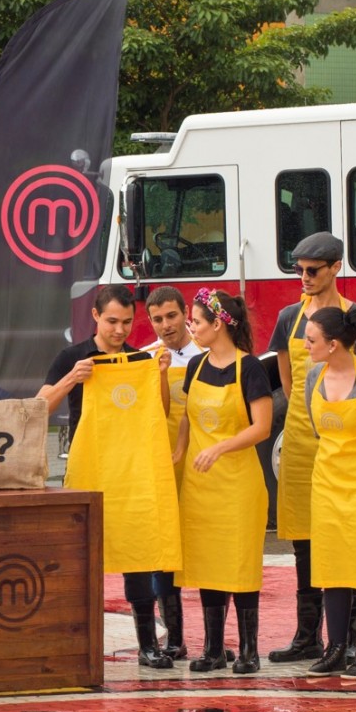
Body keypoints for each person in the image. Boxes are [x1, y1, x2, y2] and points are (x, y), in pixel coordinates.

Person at [267, 233, 356, 667]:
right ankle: (307, 635)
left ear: (336, 267)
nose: (304, 277)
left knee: (349, 538)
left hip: (347, 443)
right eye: (298, 269)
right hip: (301, 440)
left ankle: (349, 638)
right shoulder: (288, 317)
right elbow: (289, 380)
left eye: (313, 270)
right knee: (304, 542)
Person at [39, 286, 162, 657]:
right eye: (111, 321)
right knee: (82, 556)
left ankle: (148, 645)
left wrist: (158, 375)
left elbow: (160, 411)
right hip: (89, 466)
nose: (119, 330)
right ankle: (75, 643)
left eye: (126, 322)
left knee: (137, 554)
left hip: (131, 469)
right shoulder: (72, 357)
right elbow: (38, 408)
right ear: (94, 316)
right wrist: (71, 379)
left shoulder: (138, 359)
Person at [175, 287, 273, 674]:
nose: (191, 327)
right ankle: (213, 649)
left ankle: (249, 651)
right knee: (208, 563)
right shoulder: (196, 366)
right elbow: (188, 416)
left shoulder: (250, 368)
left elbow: (262, 427)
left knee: (240, 563)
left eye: (197, 321)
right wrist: (179, 451)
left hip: (238, 484)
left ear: (218, 325)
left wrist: (220, 447)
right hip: (201, 486)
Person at [300, 307, 356, 679]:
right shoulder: (313, 376)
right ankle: (336, 647)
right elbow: (318, 430)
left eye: (311, 339)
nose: (306, 346)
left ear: (333, 344)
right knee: (332, 566)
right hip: (327, 483)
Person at [140, 285, 199, 668]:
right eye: (158, 319)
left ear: (185, 312)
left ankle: (214, 641)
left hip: (201, 463)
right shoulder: (146, 358)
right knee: (162, 550)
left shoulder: (209, 353)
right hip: (162, 465)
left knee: (206, 546)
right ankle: (174, 638)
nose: (166, 325)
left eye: (172, 316)